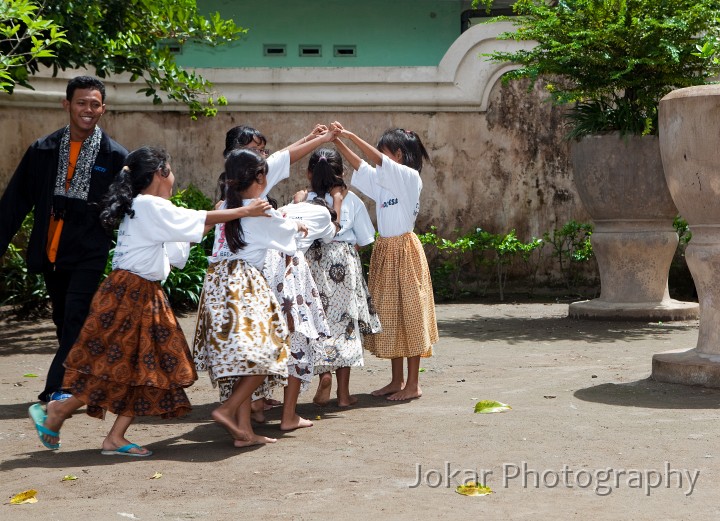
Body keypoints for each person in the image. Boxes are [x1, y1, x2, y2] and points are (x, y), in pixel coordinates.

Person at [28, 146, 271, 455]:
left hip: (141, 292)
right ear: (160, 174)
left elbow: (189, 230)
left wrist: (221, 213)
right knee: (115, 364)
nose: (173, 180)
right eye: (171, 172)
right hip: (130, 294)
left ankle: (114, 437)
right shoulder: (148, 205)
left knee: (143, 365)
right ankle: (60, 412)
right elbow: (195, 219)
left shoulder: (147, 207)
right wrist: (243, 211)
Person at [0, 76, 128, 403]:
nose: (88, 110)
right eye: (81, 103)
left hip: (90, 250)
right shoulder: (43, 150)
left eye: (94, 104)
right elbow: (15, 202)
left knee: (75, 315)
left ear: (103, 108)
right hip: (52, 250)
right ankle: (82, 376)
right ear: (67, 104)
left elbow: (131, 207)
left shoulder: (114, 156)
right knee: (63, 320)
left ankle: (58, 388)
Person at [193, 149, 307, 446]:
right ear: (259, 178)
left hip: (216, 286)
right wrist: (298, 224)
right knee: (270, 351)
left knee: (243, 361)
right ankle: (228, 409)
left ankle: (243, 431)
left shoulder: (227, 207)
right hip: (242, 285)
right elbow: (286, 232)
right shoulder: (258, 208)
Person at [331, 123, 439, 401]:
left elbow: (373, 161)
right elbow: (363, 167)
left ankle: (413, 384)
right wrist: (337, 141)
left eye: (385, 152)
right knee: (390, 315)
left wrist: (352, 134)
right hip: (386, 250)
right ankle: (396, 381)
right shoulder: (384, 181)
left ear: (399, 155)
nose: (380, 158)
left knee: (411, 315)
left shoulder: (409, 177)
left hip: (404, 250)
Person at [293, 148, 381, 407]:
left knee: (318, 324)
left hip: (312, 263)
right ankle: (343, 395)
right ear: (341, 173)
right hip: (344, 265)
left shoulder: (303, 200)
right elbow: (366, 239)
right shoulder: (351, 200)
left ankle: (324, 375)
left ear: (309, 173)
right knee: (345, 327)